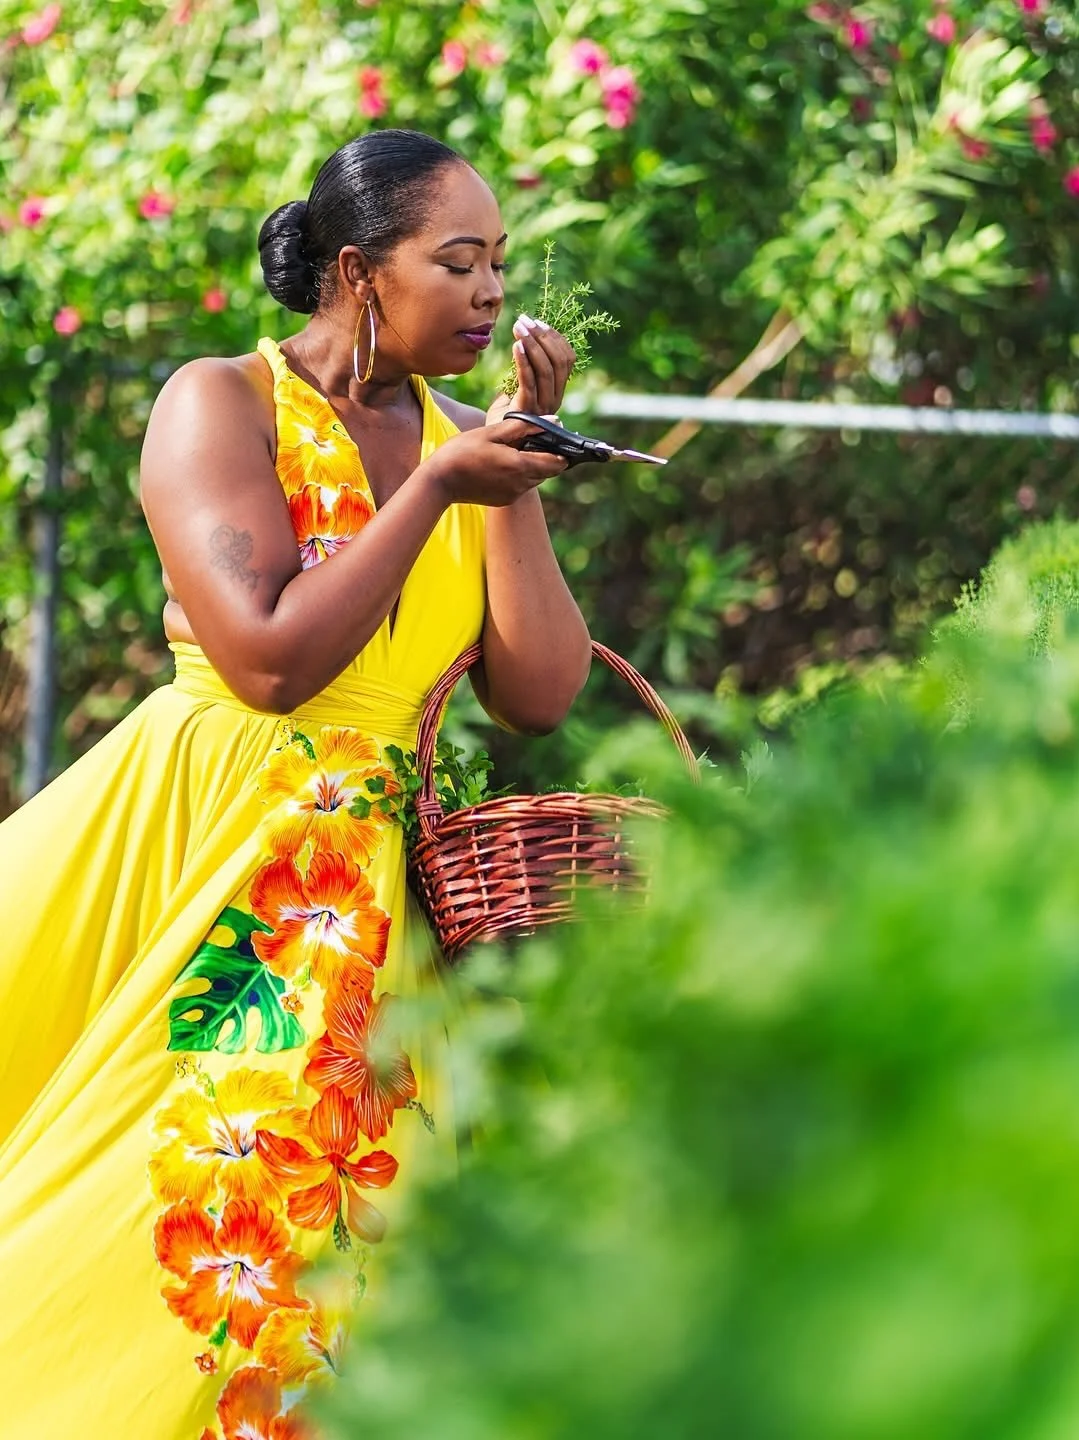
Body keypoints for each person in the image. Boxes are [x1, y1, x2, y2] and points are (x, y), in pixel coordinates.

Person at [0, 128, 591, 1438]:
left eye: (500, 263)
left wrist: (511, 474)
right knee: (180, 1199)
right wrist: (437, 484)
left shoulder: (462, 443)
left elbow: (538, 695)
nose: (494, 292)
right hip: (204, 844)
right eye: (459, 260)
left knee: (347, 1237)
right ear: (358, 272)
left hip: (364, 901)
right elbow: (266, 661)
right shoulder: (222, 402)